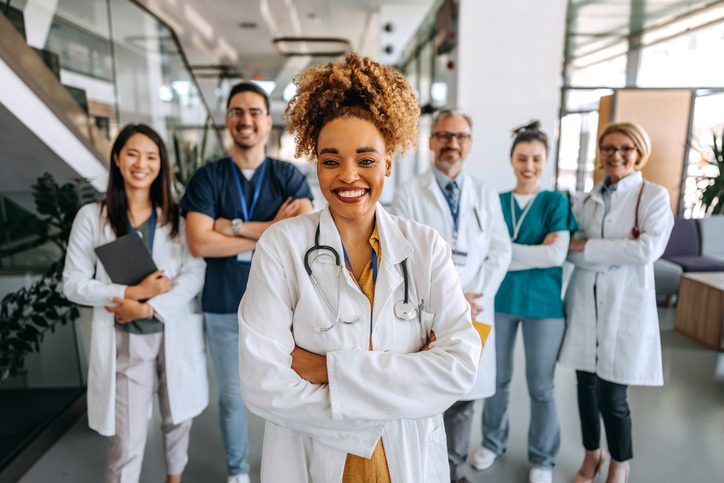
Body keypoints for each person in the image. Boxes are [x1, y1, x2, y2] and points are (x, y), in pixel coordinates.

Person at [237, 54, 481, 483]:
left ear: (389, 162)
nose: (348, 176)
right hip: (313, 462)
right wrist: (400, 386)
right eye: (331, 160)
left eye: (366, 160)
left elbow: (458, 367)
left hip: (405, 461)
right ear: (316, 163)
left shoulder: (425, 248)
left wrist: (322, 369)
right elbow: (262, 384)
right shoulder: (282, 246)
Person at [180, 82, 313, 483]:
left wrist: (233, 227)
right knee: (233, 398)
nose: (246, 120)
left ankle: (291, 469)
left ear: (268, 121)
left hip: (283, 310)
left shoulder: (287, 174)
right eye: (237, 111)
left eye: (255, 111)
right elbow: (199, 242)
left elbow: (302, 229)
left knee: (291, 391)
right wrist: (273, 228)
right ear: (227, 121)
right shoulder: (208, 178)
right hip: (223, 306)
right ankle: (238, 471)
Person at [63, 124, 208, 483]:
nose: (141, 164)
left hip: (172, 330)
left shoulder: (176, 218)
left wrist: (149, 307)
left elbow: (194, 273)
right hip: (126, 339)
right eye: (132, 153)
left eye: (151, 156)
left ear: (162, 164)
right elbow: (73, 283)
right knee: (127, 441)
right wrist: (128, 293)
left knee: (178, 421)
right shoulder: (92, 217)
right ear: (116, 158)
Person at [391, 108, 511, 483]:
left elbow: (500, 250)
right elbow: (405, 252)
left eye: (459, 137)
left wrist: (479, 293)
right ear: (431, 142)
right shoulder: (409, 194)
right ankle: (424, 472)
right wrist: (453, 297)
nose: (452, 144)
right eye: (444, 136)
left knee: (465, 396)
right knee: (426, 395)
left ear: (469, 144)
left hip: (476, 306)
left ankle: (455, 471)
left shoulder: (485, 194)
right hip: (429, 311)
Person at [560, 122, 674, 483]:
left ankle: (619, 463)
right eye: (608, 148)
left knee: (612, 395)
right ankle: (592, 454)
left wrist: (590, 248)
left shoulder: (652, 197)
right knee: (585, 389)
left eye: (625, 148)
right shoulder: (588, 198)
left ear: (639, 153)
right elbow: (569, 249)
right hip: (585, 302)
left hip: (624, 306)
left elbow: (647, 251)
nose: (616, 155)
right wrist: (610, 251)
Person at [472, 121, 577, 483]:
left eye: (535, 158)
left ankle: (543, 460)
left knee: (541, 386)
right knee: (495, 378)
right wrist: (529, 251)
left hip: (544, 306)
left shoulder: (554, 201)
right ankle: (492, 442)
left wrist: (506, 253)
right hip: (499, 300)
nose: (528, 165)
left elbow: (556, 256)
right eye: (521, 158)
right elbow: (485, 252)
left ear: (546, 160)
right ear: (511, 159)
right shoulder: (496, 201)